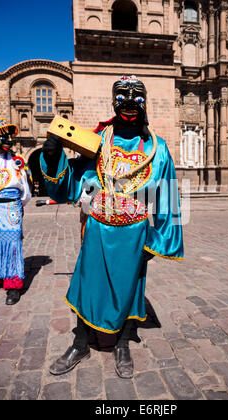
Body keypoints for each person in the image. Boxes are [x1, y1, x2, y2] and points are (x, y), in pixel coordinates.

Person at [40, 75, 184, 378]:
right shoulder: (97, 141)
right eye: (122, 95)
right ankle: (80, 342)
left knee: (129, 289)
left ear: (145, 102)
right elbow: (73, 187)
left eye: (136, 96)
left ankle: (122, 344)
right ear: (113, 100)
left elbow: (168, 197)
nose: (129, 102)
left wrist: (158, 242)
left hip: (134, 235)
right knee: (87, 284)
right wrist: (52, 157)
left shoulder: (157, 149)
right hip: (97, 229)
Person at [0, 118, 32, 305]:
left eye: (9, 136)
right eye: (3, 136)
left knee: (12, 244)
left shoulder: (16, 162)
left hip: (11, 207)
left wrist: (17, 206)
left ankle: (13, 285)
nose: (8, 140)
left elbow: (26, 191)